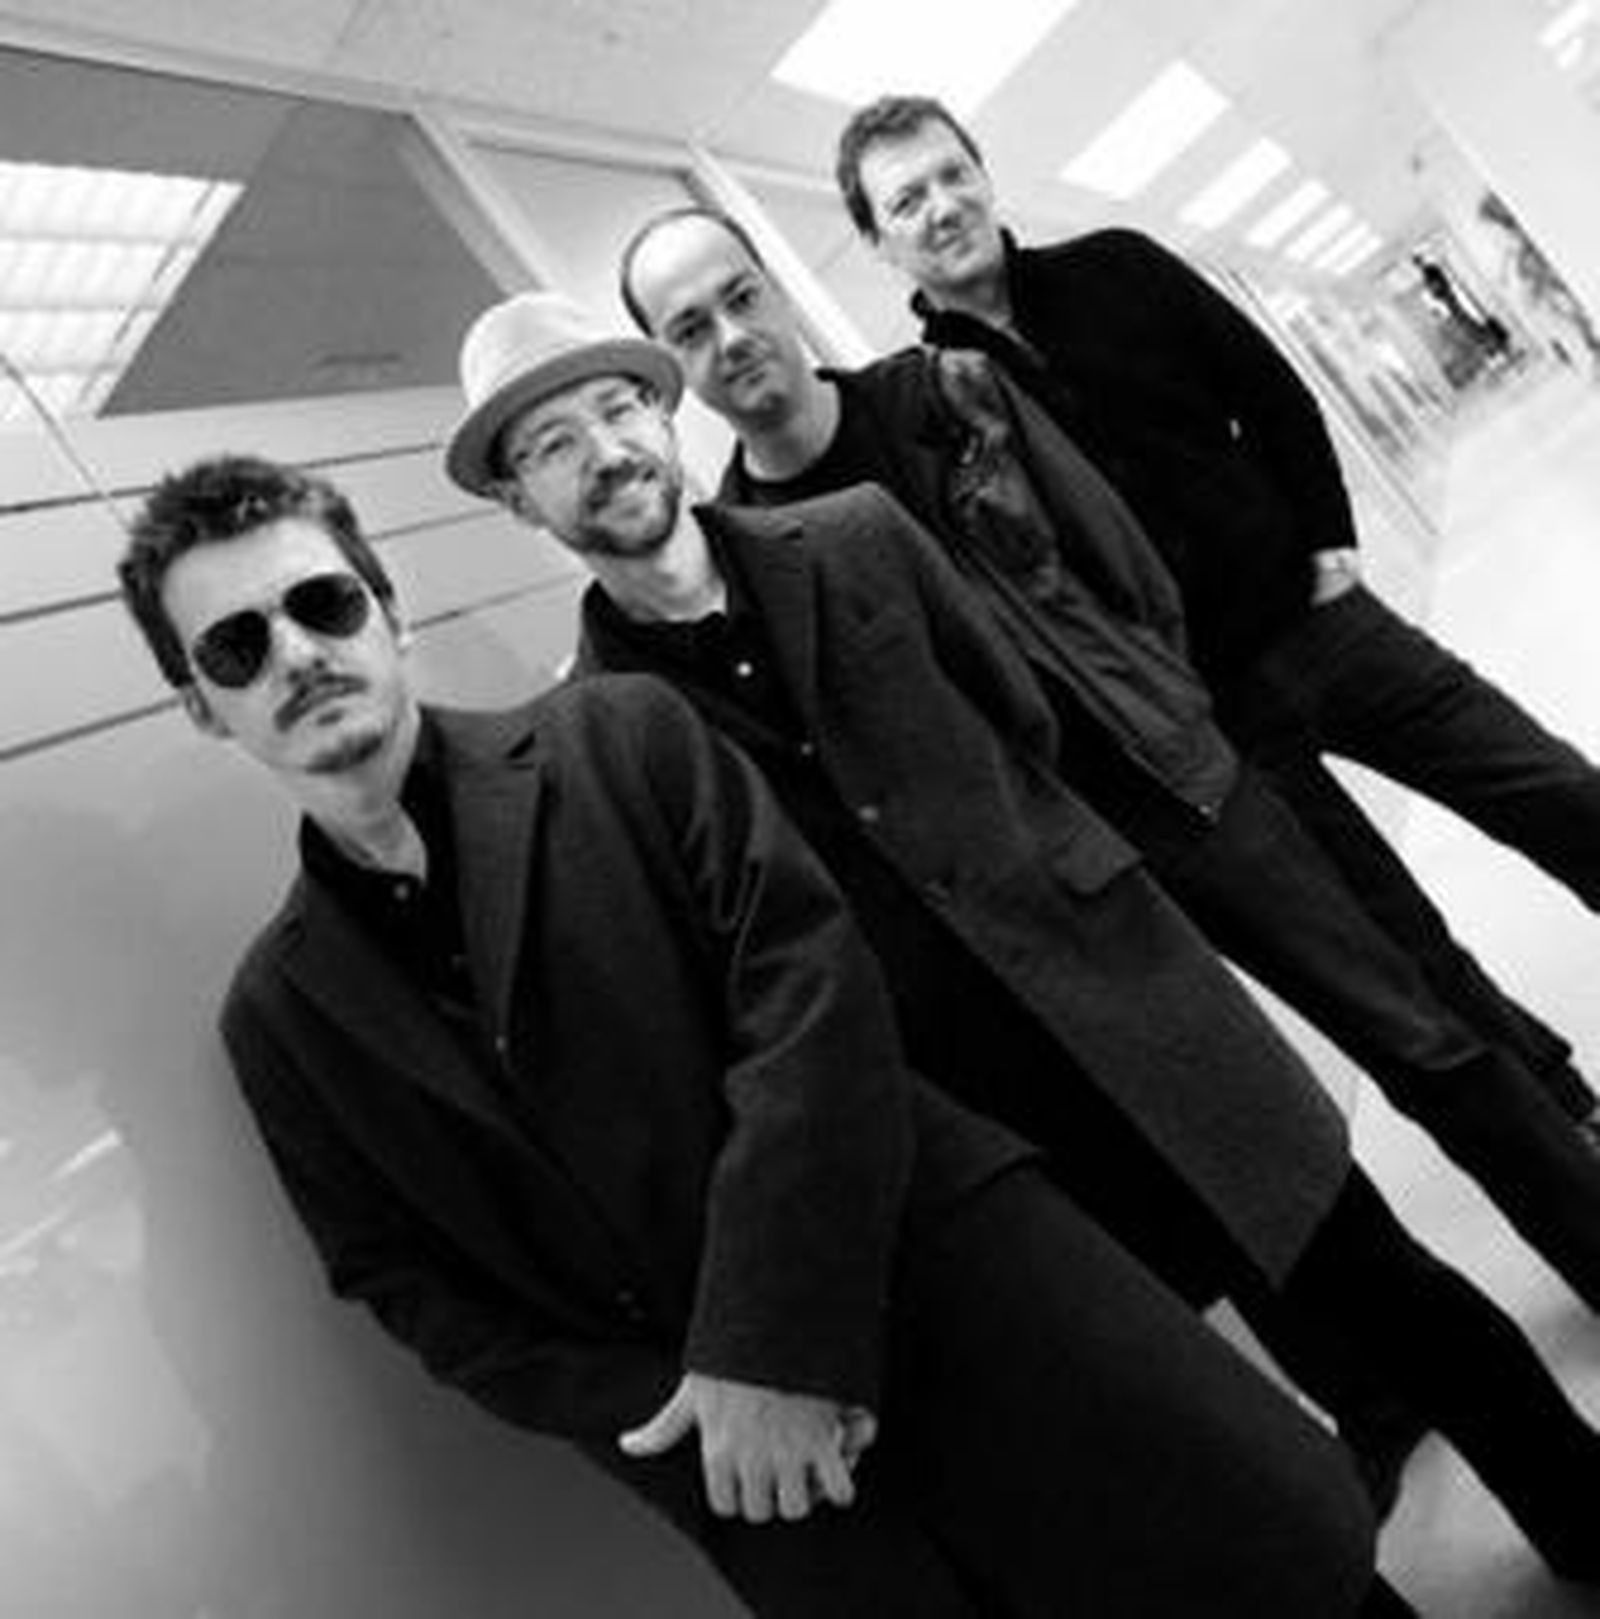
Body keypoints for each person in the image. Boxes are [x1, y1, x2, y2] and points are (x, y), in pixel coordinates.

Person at [443, 288, 1600, 1594]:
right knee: (1197, 1437)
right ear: (520, 502)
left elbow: (1021, 719)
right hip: (985, 1140)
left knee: (1402, 1297)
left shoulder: (857, 536)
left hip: (1138, 1002)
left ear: (663, 415)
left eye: (615, 409)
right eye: (552, 445)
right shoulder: (600, 741)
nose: (603, 453)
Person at [115, 453, 1390, 1617]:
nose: (297, 654)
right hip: (763, 1486)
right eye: (235, 645)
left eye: (323, 604)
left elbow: (810, 999)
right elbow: (409, 1288)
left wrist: (762, 1349)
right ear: (201, 705)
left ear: (388, 614)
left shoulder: (622, 737)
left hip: (963, 1308)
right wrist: (684, 1418)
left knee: (1281, 1591)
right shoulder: (279, 1017)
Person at [612, 206, 1600, 1338]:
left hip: (1183, 796)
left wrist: (1160, 719)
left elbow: (1127, 571)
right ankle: (1389, 1385)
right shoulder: (752, 551)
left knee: (1418, 1034)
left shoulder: (948, 394)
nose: (730, 336)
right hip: (1061, 903)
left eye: (740, 297)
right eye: (690, 328)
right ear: (670, 372)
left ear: (776, 289)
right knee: (1242, 1148)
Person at [831, 92, 1600, 1144]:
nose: (941, 206)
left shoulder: (1119, 266)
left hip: (1324, 627)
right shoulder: (930, 406)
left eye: (950, 174)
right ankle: (1562, 1107)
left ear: (983, 174)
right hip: (1214, 719)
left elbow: (1268, 390)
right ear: (878, 242)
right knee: (1401, 939)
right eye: (906, 200)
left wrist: (1329, 540)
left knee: (1548, 786)